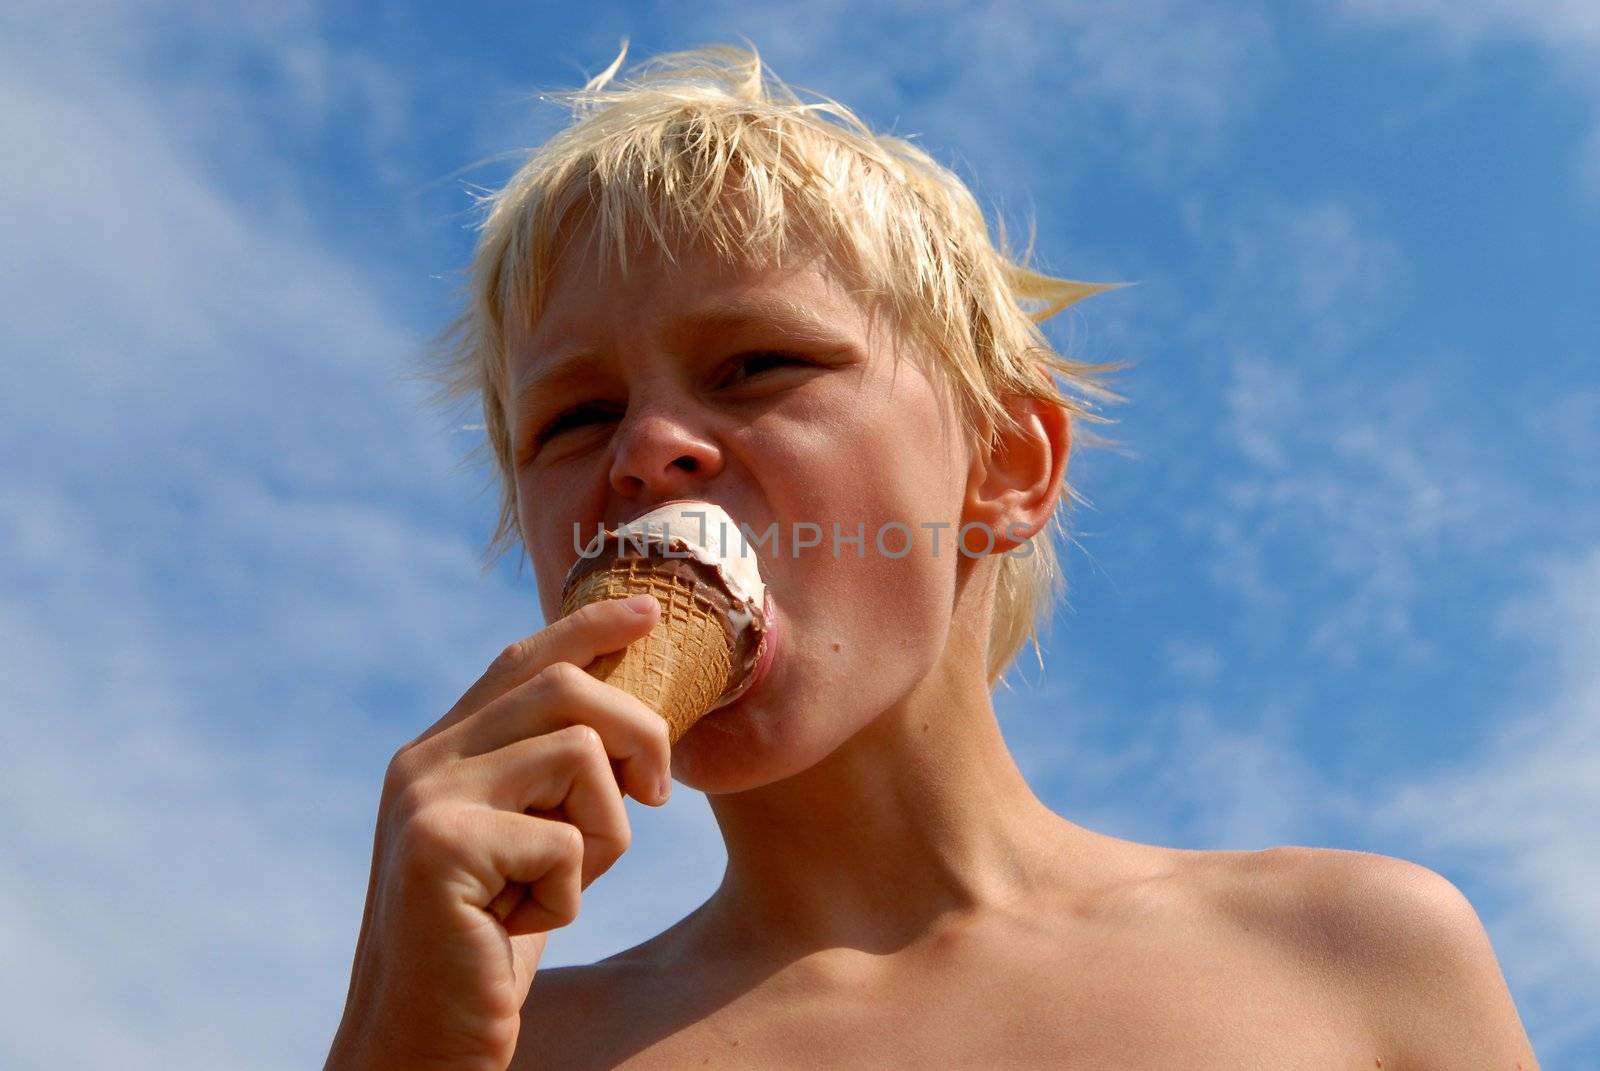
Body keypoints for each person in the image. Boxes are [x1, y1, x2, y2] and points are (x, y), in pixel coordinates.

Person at [325, 39, 1541, 1070]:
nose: (644, 452)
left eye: (757, 366)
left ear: (1005, 467)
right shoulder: (507, 1042)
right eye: (572, 419)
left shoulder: (1348, 959)